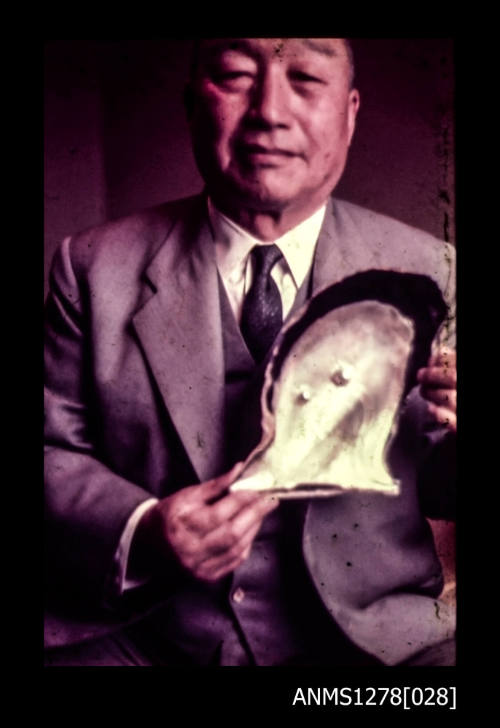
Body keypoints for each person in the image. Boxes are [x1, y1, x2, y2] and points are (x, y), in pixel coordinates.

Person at [44, 38, 456, 666]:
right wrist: (143, 529)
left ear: (349, 112)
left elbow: (444, 484)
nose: (269, 109)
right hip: (147, 642)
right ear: (190, 105)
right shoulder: (90, 268)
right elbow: (52, 448)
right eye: (236, 74)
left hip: (379, 653)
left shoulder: (436, 270)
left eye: (306, 79)